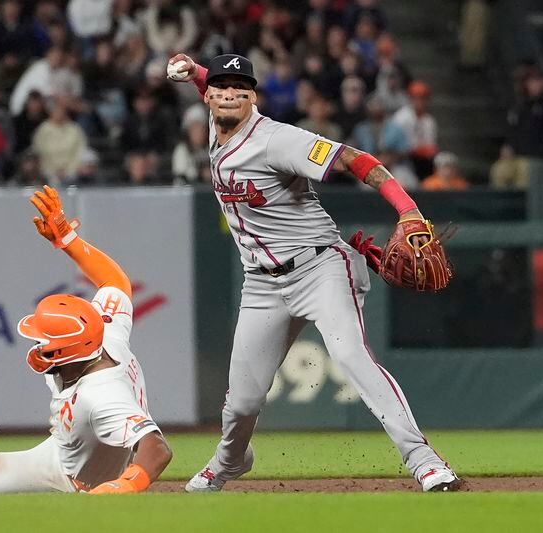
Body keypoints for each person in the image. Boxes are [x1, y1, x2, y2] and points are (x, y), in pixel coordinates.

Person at [167, 53, 461, 493]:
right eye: (221, 88)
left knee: (351, 357)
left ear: (253, 97)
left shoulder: (277, 140)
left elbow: (356, 160)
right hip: (262, 283)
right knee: (242, 401)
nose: (230, 94)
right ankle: (228, 462)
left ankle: (424, 461)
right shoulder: (218, 118)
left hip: (320, 267)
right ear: (208, 96)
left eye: (241, 88)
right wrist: (196, 74)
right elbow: (218, 91)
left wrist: (409, 210)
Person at [0, 185, 173, 494]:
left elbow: (158, 449)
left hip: (82, 479)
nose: (38, 344)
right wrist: (67, 239)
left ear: (67, 352)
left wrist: (122, 488)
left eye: (44, 340)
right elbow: (116, 282)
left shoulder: (102, 393)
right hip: (64, 450)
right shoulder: (103, 331)